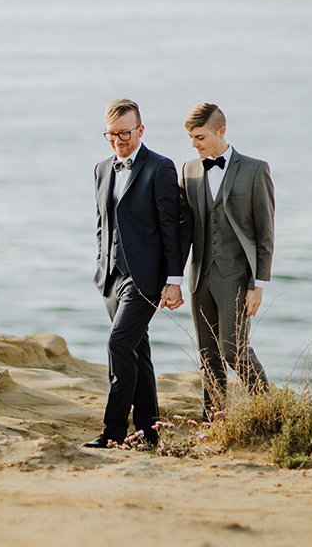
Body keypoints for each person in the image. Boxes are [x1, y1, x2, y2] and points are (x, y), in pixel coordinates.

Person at [82, 98, 183, 448]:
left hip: (145, 278)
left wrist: (173, 281)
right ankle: (149, 432)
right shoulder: (101, 169)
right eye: (111, 134)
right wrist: (101, 265)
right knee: (138, 351)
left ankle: (113, 432)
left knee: (118, 344)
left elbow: (172, 229)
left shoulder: (160, 168)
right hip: (111, 277)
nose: (118, 141)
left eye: (124, 133)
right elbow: (102, 223)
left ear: (140, 130)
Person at [179, 103, 274, 418]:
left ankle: (269, 411)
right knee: (208, 354)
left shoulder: (254, 170)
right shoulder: (189, 169)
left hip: (235, 276)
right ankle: (215, 418)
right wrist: (172, 277)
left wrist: (257, 285)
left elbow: (265, 232)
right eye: (192, 138)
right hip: (199, 277)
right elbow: (181, 226)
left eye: (200, 136)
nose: (195, 144)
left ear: (221, 131)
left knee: (233, 350)